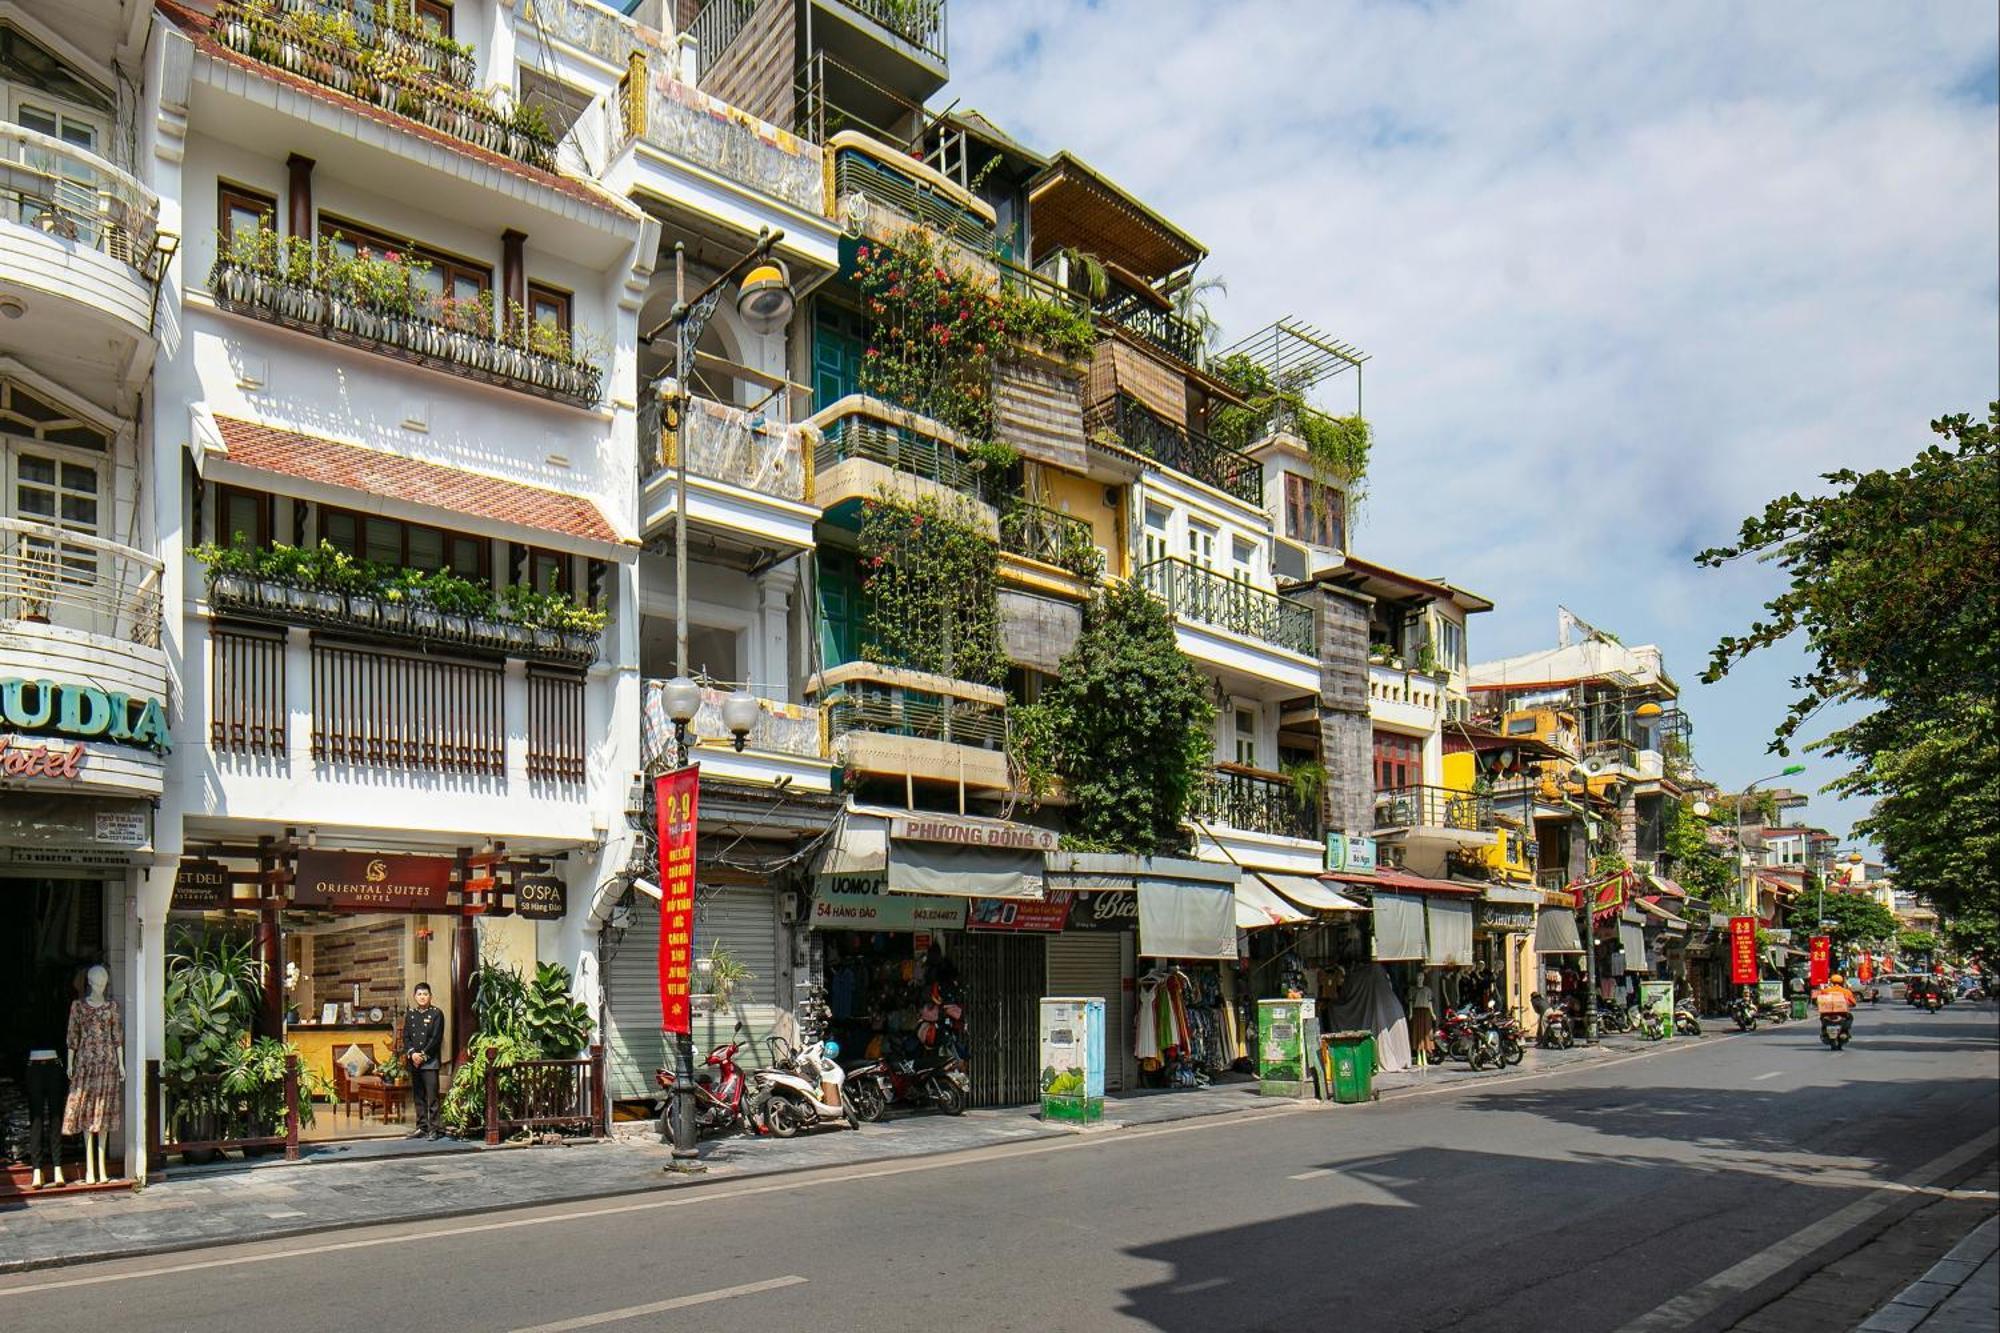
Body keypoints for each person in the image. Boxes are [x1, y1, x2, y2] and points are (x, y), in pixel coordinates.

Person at [402, 983, 446, 1139]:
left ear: (430, 996)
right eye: (419, 994)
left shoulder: (436, 1014)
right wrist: (412, 1053)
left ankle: (435, 1129)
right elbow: (406, 1037)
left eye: (425, 994)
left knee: (432, 1097)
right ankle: (422, 1127)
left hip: (430, 1062)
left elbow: (436, 1039)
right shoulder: (410, 1014)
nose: (422, 997)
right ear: (415, 996)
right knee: (418, 1096)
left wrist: (422, 1055)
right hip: (414, 1061)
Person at [1816, 973, 1857, 1041]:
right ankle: (1845, 1031)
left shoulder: (1825, 991)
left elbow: (1820, 1001)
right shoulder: (1846, 991)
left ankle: (1824, 1032)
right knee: (1850, 1017)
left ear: (1831, 982)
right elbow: (1854, 1003)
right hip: (1842, 1014)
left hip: (1827, 1014)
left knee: (1822, 1018)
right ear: (1842, 982)